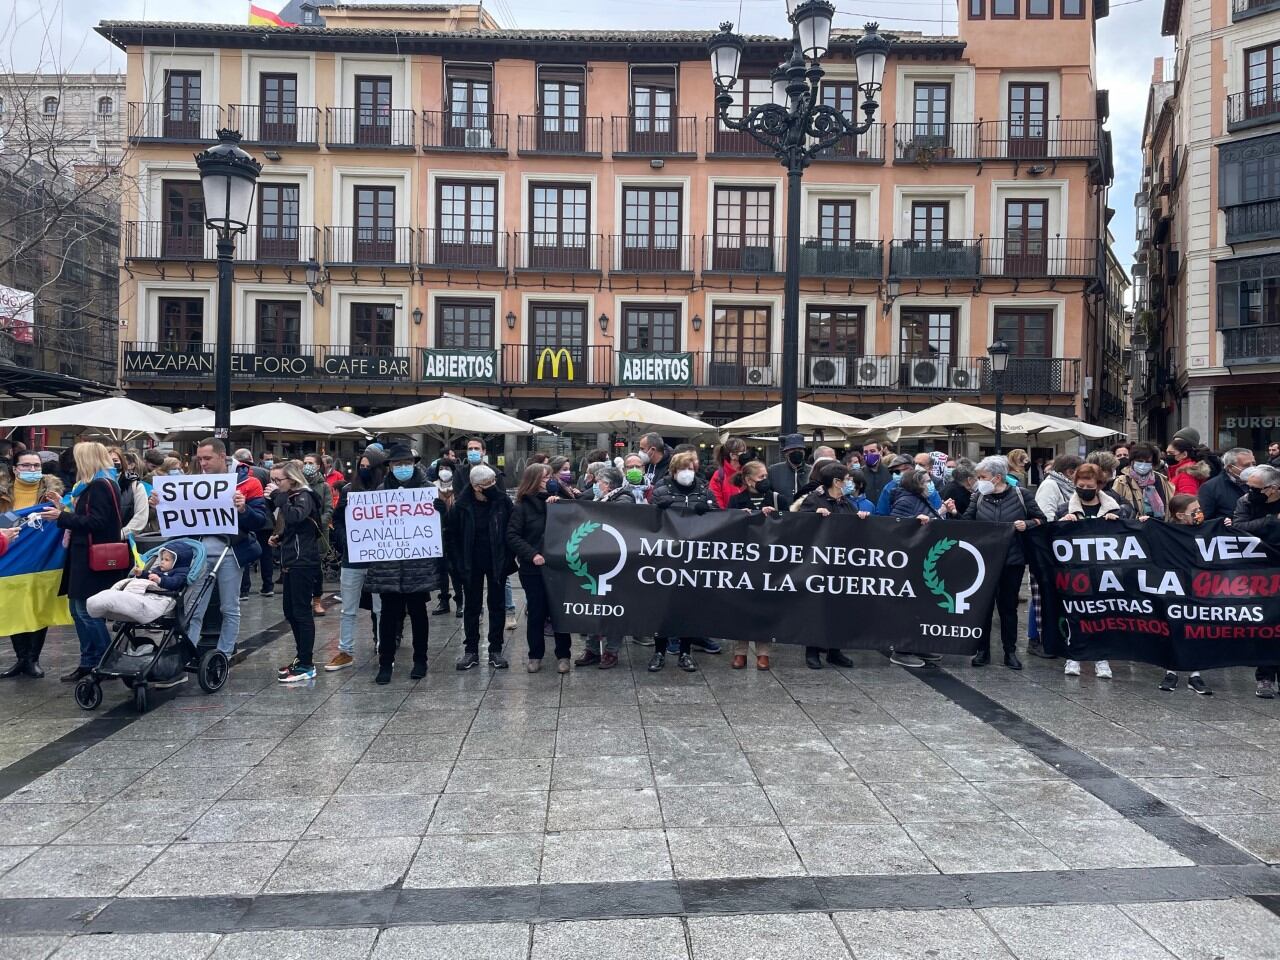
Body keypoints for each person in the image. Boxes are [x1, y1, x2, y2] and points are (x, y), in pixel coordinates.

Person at [173, 439, 269, 661]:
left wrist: (243, 509)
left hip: (230, 552)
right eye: (200, 459)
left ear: (222, 456)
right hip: (200, 553)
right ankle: (187, 656)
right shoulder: (194, 482)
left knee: (229, 607)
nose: (203, 463)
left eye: (207, 458)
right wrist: (160, 504)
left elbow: (259, 521)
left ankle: (224, 655)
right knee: (194, 607)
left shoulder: (250, 482)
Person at [40, 442, 125, 683]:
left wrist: (62, 516)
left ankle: (106, 658)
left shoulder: (100, 485)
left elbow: (97, 521)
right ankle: (89, 661)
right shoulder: (94, 484)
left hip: (91, 557)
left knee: (86, 612)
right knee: (78, 611)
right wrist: (63, 507)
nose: (75, 463)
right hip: (83, 555)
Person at [365, 444, 443, 684]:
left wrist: (442, 512)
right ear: (390, 467)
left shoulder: (427, 489)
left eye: (407, 464)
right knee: (388, 616)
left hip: (418, 565)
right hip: (388, 566)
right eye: (398, 464)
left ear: (414, 464)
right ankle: (385, 662)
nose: (402, 468)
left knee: (419, 614)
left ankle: (421, 660)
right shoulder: (380, 491)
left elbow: (441, 529)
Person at [963, 455, 1047, 671]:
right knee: (983, 607)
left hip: (1012, 560)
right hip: (984, 560)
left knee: (1008, 607)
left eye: (983, 477)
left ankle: (1010, 651)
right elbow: (966, 523)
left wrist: (1027, 524)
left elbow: (1041, 519)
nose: (979, 481)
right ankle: (982, 650)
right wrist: (952, 512)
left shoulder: (1021, 495)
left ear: (997, 477)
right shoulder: (978, 496)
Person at [650, 451, 718, 673]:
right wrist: (657, 509)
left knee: (689, 607)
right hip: (666, 557)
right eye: (682, 468)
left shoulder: (704, 490)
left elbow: (721, 517)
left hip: (693, 559)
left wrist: (708, 510)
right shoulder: (661, 490)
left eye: (690, 468)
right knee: (662, 607)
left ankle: (685, 653)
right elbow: (645, 522)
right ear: (673, 470)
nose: (687, 472)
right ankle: (659, 652)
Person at [0, 450, 64, 679]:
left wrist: (61, 508)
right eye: (26, 465)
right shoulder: (3, 495)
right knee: (14, 606)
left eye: (36, 466)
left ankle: (32, 659)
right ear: (15, 469)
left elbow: (66, 519)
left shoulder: (52, 494)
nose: (32, 470)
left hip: (41, 560)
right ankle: (21, 657)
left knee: (38, 606)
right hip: (10, 560)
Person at [1054, 463, 1121, 679]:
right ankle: (1074, 656)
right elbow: (1052, 537)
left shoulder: (1116, 507)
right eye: (1080, 485)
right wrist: (1061, 524)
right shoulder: (1064, 509)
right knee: (1075, 615)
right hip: (1076, 572)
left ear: (1099, 485)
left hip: (1105, 573)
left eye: (1089, 486)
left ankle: (1102, 659)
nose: (1084, 489)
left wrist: (1118, 523)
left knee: (1102, 616)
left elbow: (1130, 534)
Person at [796, 462, 864, 671]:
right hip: (818, 564)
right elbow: (799, 526)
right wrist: (814, 516)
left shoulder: (847, 503)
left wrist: (862, 520)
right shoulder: (814, 500)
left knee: (839, 608)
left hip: (841, 564)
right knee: (816, 608)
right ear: (836, 482)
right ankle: (812, 650)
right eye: (847, 479)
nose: (850, 483)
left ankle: (835, 650)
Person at [508, 462, 574, 674]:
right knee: (536, 613)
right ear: (534, 481)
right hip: (533, 569)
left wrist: (558, 503)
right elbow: (512, 535)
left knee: (559, 613)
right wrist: (532, 554)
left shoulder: (558, 502)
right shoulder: (521, 507)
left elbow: (573, 520)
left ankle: (563, 655)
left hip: (558, 567)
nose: (549, 481)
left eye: (551, 477)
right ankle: (535, 655)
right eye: (545, 478)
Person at [325, 447, 387, 671]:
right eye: (362, 466)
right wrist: (345, 540)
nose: (364, 470)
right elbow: (338, 519)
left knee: (381, 609)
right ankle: (345, 651)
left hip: (380, 558)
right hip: (353, 557)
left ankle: (384, 648)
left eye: (369, 467)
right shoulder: (349, 490)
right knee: (348, 608)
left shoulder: (388, 490)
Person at [452, 463, 514, 671]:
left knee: (497, 605)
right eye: (488, 483)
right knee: (472, 606)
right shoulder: (462, 505)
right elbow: (452, 536)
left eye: (494, 481)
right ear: (476, 487)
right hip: (471, 563)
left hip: (497, 561)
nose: (493, 485)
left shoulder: (502, 501)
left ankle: (495, 649)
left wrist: (508, 558)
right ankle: (471, 650)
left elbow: (512, 529)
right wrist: (458, 564)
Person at [266, 460, 322, 683]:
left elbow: (296, 517)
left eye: (278, 480)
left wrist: (277, 497)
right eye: (272, 480)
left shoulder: (304, 496)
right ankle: (301, 657)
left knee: (301, 612)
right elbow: (297, 527)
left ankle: (307, 663)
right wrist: (280, 537)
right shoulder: (291, 497)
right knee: (290, 611)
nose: (275, 484)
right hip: (292, 559)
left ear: (291, 479)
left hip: (303, 562)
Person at [575, 466, 634, 670]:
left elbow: (615, 518)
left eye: (598, 482)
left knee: (613, 607)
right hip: (598, 559)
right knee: (594, 606)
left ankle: (611, 650)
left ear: (608, 485)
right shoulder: (600, 498)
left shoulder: (624, 499)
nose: (595, 485)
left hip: (616, 562)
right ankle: (591, 649)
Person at [1232, 465, 1280, 697]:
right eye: (1248, 487)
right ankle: (1265, 677)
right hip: (1260, 571)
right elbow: (1239, 527)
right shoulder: (1246, 502)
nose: (1250, 492)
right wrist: (1271, 521)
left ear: (1273, 489)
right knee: (1266, 624)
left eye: (1255, 488)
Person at [234, 449, 275, 598]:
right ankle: (268, 586)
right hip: (265, 519)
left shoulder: (233, 475)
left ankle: (244, 589)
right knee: (266, 554)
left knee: (245, 552)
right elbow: (271, 496)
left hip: (244, 520)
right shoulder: (264, 472)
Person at [302, 453, 336, 616]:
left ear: (317, 466)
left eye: (310, 463)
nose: (307, 466)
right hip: (301, 533)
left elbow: (329, 509)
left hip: (318, 532)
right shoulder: (298, 483)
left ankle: (316, 601)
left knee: (316, 569)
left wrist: (318, 523)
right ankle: (303, 600)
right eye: (305, 463)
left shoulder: (324, 486)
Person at [432, 465, 465, 619]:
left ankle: (460, 601)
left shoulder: (458, 488)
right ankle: (444, 600)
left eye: (447, 468)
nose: (444, 471)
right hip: (436, 533)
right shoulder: (431, 488)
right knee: (441, 569)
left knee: (455, 569)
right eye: (441, 468)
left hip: (454, 534)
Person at [1111, 442, 1174, 520]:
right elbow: (1115, 508)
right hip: (1133, 526)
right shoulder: (1122, 481)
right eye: (1140, 461)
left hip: (1159, 525)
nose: (1143, 465)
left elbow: (1169, 506)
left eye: (1147, 462)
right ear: (1132, 461)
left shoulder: (1161, 479)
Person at [1198, 448, 1253, 521]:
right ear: (1230, 467)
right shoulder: (1210, 488)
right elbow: (1206, 519)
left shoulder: (1259, 484)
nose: (1252, 468)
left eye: (1254, 464)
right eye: (1246, 465)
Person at [108, 447, 151, 539]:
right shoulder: (92, 485)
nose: (111, 463)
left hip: (125, 542)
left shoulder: (135, 486)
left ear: (122, 463)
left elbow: (140, 517)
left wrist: (120, 535)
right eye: (107, 460)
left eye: (115, 460)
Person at [889, 468, 954, 521]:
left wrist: (941, 511)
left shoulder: (922, 498)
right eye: (928, 481)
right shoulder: (904, 501)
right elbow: (896, 524)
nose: (931, 484)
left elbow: (929, 519)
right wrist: (915, 520)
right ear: (917, 484)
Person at [1034, 455, 1083, 521]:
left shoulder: (1070, 487)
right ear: (1070, 472)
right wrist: (1065, 520)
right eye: (1081, 472)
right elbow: (1046, 516)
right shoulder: (1049, 485)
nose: (1084, 475)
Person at [767, 434, 810, 501]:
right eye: (793, 449)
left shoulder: (812, 470)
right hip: (782, 507)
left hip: (806, 507)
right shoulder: (773, 471)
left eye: (800, 449)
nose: (797, 452)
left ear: (804, 452)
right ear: (786, 452)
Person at [709, 437, 748, 509]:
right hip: (728, 515)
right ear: (732, 455)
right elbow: (717, 503)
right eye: (742, 452)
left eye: (745, 452)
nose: (746, 454)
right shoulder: (719, 475)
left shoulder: (748, 472)